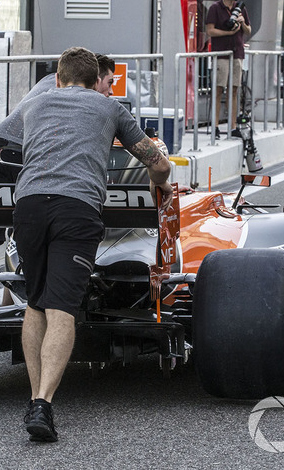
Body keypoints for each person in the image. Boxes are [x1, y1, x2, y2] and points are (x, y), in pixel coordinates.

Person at [14, 47, 172, 442]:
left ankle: (34, 396)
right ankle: (42, 405)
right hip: (76, 208)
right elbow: (155, 161)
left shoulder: (36, 104)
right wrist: (162, 182)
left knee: (35, 303)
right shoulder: (110, 108)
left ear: (59, 78)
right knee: (62, 308)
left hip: (28, 205)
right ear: (94, 79)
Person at [0, 54, 117, 259]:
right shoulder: (76, 96)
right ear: (95, 78)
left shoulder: (51, 81)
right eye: (109, 83)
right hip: (22, 154)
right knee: (28, 232)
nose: (110, 91)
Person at [205, 0, 251, 138]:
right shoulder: (215, 8)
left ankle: (233, 127)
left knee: (234, 90)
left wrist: (242, 23)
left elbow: (248, 31)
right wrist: (229, 33)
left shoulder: (240, 8)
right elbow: (210, 31)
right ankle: (215, 126)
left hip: (237, 53)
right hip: (222, 54)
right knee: (218, 90)